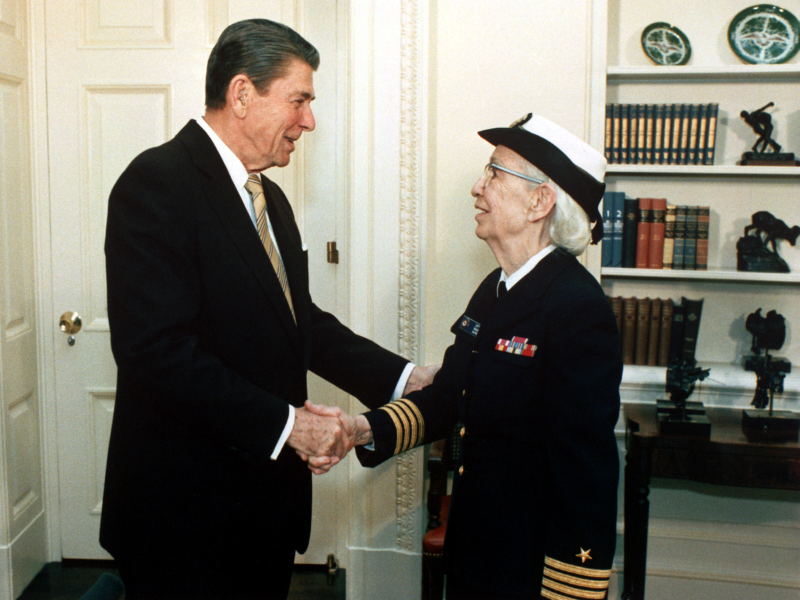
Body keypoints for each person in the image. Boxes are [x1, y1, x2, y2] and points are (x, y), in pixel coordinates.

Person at [101, 18, 435, 600]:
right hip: (184, 520)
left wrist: (406, 378)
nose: (308, 120)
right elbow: (155, 354)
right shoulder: (156, 183)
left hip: (264, 511)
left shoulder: (269, 196)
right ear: (241, 94)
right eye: (299, 100)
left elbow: (299, 322)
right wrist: (291, 426)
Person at [311, 113, 623, 599]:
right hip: (478, 551)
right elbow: (450, 396)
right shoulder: (495, 290)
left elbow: (585, 473)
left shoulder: (576, 309)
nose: (478, 187)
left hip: (529, 570)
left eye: (495, 174)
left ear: (540, 202)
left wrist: (571, 591)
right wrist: (362, 429)